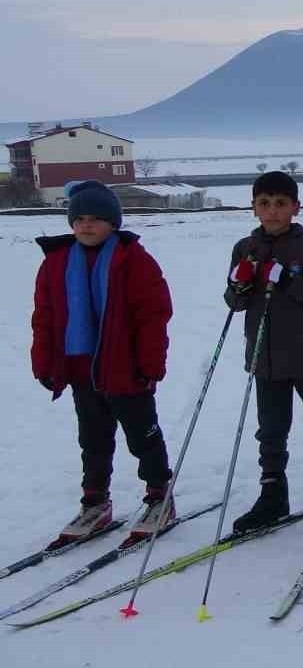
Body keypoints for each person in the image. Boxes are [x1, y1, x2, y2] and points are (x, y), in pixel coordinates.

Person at [32, 180, 176, 549]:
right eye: (79, 218)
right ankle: (95, 503)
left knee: (142, 434)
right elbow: (46, 318)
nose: (86, 226)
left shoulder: (134, 260)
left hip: (126, 368)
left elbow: (153, 316)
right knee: (93, 439)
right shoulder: (56, 263)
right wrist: (46, 363)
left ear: (113, 222)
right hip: (81, 367)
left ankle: (160, 496)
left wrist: (150, 365)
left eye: (96, 219)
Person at [224, 171, 303, 532]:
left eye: (281, 204)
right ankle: (273, 494)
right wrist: (240, 284)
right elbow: (233, 301)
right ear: (253, 208)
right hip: (264, 357)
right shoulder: (244, 248)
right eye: (264, 204)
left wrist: (292, 282)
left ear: (295, 207)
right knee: (271, 430)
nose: (273, 211)